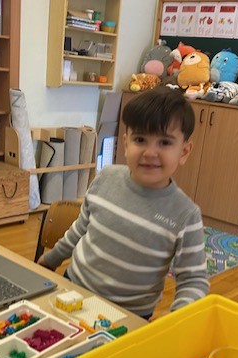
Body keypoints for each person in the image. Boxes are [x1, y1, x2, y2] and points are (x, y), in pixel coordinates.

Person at [38, 87, 209, 319]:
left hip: (127, 317)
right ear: (126, 144)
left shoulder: (185, 215)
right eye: (140, 139)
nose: (150, 152)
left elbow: (193, 280)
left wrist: (174, 322)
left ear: (184, 151)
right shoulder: (105, 178)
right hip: (74, 291)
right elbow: (80, 229)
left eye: (164, 142)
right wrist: (51, 260)